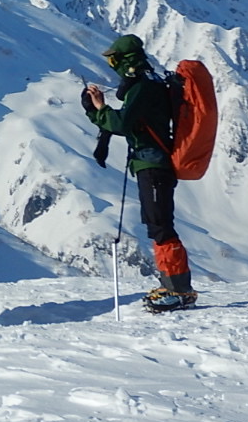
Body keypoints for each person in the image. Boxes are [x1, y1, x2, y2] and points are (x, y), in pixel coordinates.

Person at [82, 34, 197, 311]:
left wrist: (99, 110)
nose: (111, 64)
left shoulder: (143, 87)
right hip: (151, 164)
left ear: (124, 59)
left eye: (113, 58)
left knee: (160, 225)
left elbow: (122, 124)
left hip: (153, 164)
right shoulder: (149, 83)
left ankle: (180, 291)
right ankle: (171, 284)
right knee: (156, 224)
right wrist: (101, 109)